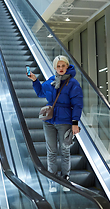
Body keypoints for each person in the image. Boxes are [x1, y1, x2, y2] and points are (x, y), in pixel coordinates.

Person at [27, 55, 83, 192]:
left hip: (65, 121)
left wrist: (75, 122)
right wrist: (35, 80)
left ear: (67, 66)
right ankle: (52, 179)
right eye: (58, 66)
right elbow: (41, 92)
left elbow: (77, 104)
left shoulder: (73, 83)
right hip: (49, 121)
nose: (61, 68)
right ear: (54, 68)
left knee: (65, 150)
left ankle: (65, 178)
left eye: (63, 65)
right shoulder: (51, 81)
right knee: (51, 150)